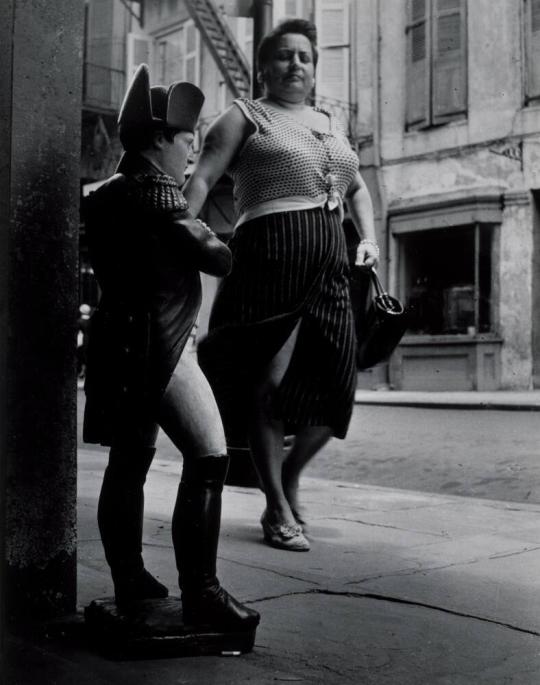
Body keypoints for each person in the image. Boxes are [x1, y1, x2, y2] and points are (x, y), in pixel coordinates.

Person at [183, 19, 379, 552]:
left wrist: (370, 240)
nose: (297, 65)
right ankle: (275, 506)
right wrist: (179, 234)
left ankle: (289, 477)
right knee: (267, 388)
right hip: (268, 260)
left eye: (306, 58)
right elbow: (202, 176)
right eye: (285, 56)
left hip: (330, 267)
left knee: (338, 392)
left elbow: (356, 186)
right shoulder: (245, 115)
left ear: (315, 69)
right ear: (264, 67)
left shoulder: (331, 124)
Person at [82, 64, 260, 640]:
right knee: (210, 458)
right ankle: (202, 594)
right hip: (161, 344)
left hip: (121, 343)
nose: (191, 149)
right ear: (160, 138)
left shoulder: (108, 192)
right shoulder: (156, 191)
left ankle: (129, 576)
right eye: (187, 138)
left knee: (128, 462)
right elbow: (213, 255)